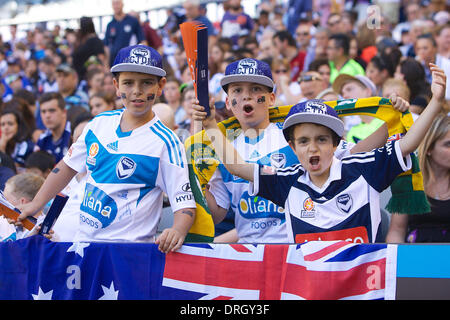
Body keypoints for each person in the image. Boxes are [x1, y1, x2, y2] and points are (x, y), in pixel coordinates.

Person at [193, 63, 447, 243]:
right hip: (266, 261)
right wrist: (208, 134)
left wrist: (406, 115)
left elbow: (376, 150)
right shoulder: (221, 151)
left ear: (271, 98)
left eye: (255, 89)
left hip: (301, 259)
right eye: (237, 90)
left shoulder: (302, 142)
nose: (312, 147)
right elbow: (233, 173)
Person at [17, 44, 196, 253]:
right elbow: (66, 167)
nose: (137, 91)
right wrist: (36, 203)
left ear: (160, 86)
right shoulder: (99, 123)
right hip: (83, 247)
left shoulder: (167, 143)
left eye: (147, 83)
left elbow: (184, 204)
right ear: (116, 85)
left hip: (128, 255)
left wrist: (177, 230)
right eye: (128, 83)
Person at [386, 113, 450, 243]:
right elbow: (396, 231)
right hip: (415, 257)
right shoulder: (408, 181)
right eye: (448, 144)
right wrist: (398, 260)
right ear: (429, 148)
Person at [104, 0, 144, 67]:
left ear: (122, 4)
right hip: (115, 63)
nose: (116, 6)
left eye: (118, 3)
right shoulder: (110, 25)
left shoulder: (132, 21)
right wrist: (106, 65)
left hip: (131, 61)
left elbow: (142, 41)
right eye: (114, 4)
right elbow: (106, 47)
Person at [35, 92, 72, 164]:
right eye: (43, 111)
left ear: (64, 112)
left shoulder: (74, 134)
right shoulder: (43, 139)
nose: (47, 115)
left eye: (52, 111)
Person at [72, 16, 106, 82]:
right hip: (78, 74)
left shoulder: (94, 40)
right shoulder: (80, 40)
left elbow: (101, 58)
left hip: (88, 77)